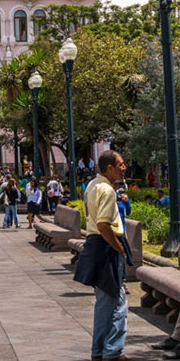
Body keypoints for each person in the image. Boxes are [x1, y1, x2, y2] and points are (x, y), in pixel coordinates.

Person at [73, 151, 131, 361]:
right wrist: (119, 248)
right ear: (110, 168)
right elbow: (103, 225)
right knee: (118, 303)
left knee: (105, 303)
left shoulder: (92, 185)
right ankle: (113, 352)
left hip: (95, 246)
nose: (124, 168)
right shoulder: (106, 190)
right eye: (121, 164)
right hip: (106, 248)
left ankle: (99, 351)